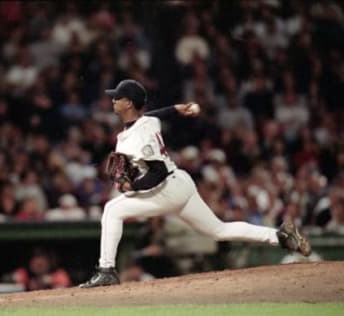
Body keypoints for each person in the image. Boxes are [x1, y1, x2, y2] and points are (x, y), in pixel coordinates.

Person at [79, 79, 311, 288]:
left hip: (165, 188)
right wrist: (176, 109)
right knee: (218, 230)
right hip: (181, 183)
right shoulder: (148, 121)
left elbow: (157, 171)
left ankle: (107, 269)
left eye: (117, 97)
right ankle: (279, 236)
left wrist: (133, 187)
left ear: (128, 103)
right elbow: (156, 116)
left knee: (112, 209)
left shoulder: (137, 136)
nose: (113, 100)